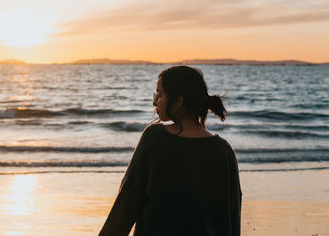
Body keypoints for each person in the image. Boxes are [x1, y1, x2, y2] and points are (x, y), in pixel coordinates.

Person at [99, 66, 242, 236]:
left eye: (159, 94)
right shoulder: (223, 150)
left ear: (179, 100)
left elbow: (126, 204)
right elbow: (232, 215)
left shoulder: (155, 138)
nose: (154, 101)